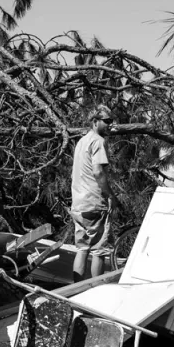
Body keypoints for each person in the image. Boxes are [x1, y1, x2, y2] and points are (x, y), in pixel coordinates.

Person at [70, 105, 123, 282]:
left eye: (111, 121)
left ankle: (77, 290)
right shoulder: (98, 141)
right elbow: (98, 172)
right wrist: (111, 196)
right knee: (99, 250)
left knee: (82, 248)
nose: (110, 125)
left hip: (79, 203)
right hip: (94, 202)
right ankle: (96, 290)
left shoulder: (81, 142)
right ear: (95, 122)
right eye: (107, 121)